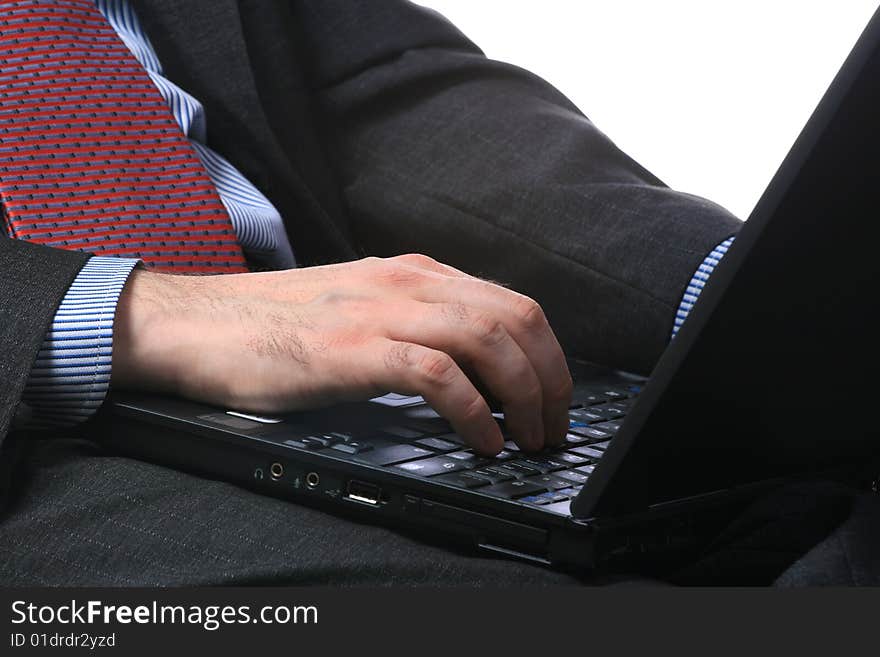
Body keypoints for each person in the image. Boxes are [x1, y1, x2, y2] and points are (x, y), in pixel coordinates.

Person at [3, 0, 866, 586]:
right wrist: (129, 314)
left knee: (829, 498)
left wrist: (742, 303)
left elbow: (371, 91)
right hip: (34, 454)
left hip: (330, 382)